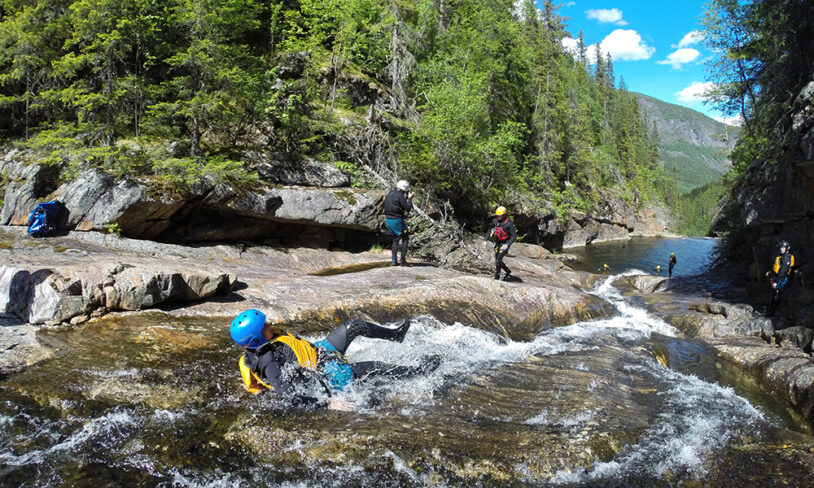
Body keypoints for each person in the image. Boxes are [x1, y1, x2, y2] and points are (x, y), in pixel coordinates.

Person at [231, 309, 440, 410]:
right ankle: (420, 371)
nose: (269, 324)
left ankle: (396, 335)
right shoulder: (269, 363)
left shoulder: (263, 340)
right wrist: (329, 403)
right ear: (257, 337)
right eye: (264, 325)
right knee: (373, 367)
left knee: (354, 326)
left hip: (321, 351)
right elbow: (291, 398)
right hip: (327, 375)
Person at [384, 180, 415, 266]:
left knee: (395, 239)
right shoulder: (400, 196)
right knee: (405, 238)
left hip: (388, 220)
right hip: (397, 221)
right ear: (405, 189)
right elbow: (407, 208)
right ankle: (402, 260)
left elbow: (395, 203)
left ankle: (394, 261)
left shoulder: (390, 193)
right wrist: (409, 198)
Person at [764, 240, 795, 317]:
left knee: (776, 295)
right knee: (774, 294)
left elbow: (783, 271)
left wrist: (777, 282)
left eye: (783, 247)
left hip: (780, 279)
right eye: (781, 247)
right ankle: (770, 310)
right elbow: (777, 267)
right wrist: (771, 272)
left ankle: (771, 313)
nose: (781, 249)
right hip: (776, 277)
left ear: (787, 248)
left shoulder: (786, 258)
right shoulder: (781, 256)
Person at [487, 206, 517, 280]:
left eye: (500, 215)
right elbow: (489, 229)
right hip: (498, 243)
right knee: (497, 259)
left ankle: (497, 277)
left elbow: (514, 236)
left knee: (498, 259)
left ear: (504, 215)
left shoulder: (509, 224)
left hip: (505, 243)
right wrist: (485, 240)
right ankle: (507, 271)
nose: (498, 217)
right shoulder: (495, 221)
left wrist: (507, 245)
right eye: (497, 215)